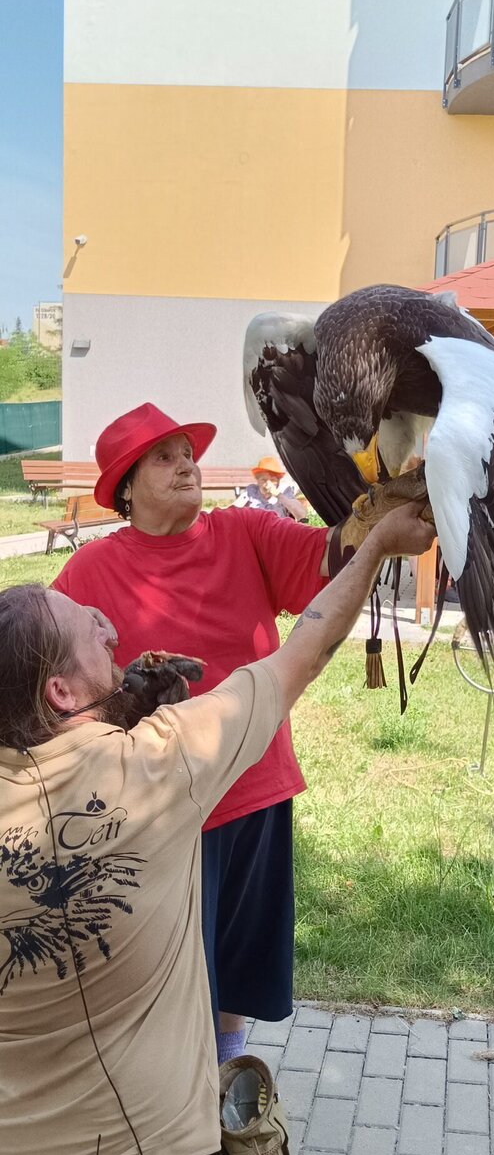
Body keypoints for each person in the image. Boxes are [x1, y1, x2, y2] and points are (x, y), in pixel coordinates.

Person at [0, 502, 434, 1155]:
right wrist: (373, 547)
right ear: (63, 693)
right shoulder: (160, 767)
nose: (108, 621)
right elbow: (304, 646)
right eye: (86, 627)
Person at [51, 405, 371, 1065]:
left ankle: (227, 1078)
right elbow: (43, 670)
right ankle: (176, 1090)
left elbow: (331, 555)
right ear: (126, 487)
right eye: (164, 458)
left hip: (253, 781)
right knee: (170, 960)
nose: (186, 467)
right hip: (156, 799)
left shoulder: (244, 532)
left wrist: (380, 515)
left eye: (187, 454)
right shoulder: (89, 572)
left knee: (235, 954)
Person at [236, 455, 308, 522]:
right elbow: (234, 509)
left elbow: (302, 514)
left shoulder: (284, 491)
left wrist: (278, 495)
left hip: (278, 529)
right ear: (257, 480)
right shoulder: (251, 491)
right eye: (263, 480)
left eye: (272, 480)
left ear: (278, 481)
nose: (268, 484)